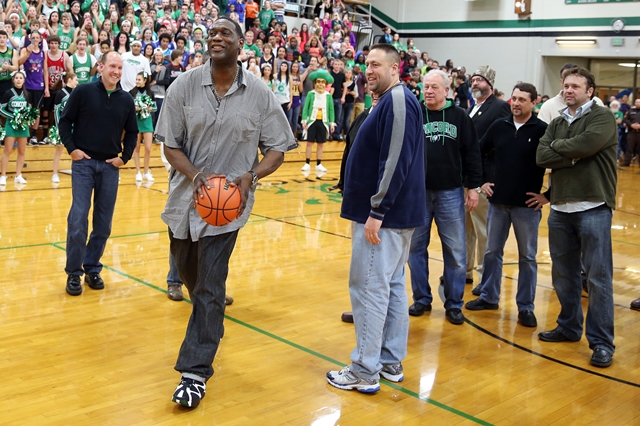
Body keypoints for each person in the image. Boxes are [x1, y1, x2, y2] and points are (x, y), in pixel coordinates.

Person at [155, 16, 294, 409]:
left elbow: (278, 148)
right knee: (191, 276)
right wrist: (196, 175)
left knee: (210, 286)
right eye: (212, 33)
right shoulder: (183, 85)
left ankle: (194, 372)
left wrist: (252, 175)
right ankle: (210, 323)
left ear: (240, 43)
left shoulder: (261, 95)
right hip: (184, 203)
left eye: (225, 34)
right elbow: (170, 145)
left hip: (227, 210)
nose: (216, 38)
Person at [326, 43, 426, 393]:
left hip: (385, 218)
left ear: (396, 69)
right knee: (393, 285)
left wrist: (377, 211)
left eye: (377, 65)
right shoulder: (389, 101)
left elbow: (396, 160)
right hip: (394, 217)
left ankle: (365, 369)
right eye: (366, 64)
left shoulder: (397, 101)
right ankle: (388, 361)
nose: (369, 71)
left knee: (369, 287)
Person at [536, 66, 618, 368]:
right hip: (559, 209)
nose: (568, 90)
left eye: (575, 86)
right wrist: (570, 154)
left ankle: (601, 342)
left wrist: (564, 151)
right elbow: (541, 156)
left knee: (597, 278)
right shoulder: (557, 121)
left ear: (589, 91)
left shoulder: (602, 117)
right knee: (563, 275)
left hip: (593, 207)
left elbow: (587, 144)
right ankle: (569, 327)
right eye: (565, 86)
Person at [464, 83, 549, 328]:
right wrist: (481, 183)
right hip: (498, 203)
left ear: (534, 102)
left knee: (528, 258)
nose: (516, 103)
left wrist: (548, 196)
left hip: (527, 207)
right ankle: (489, 296)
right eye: (514, 99)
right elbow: (477, 152)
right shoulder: (499, 126)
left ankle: (526, 306)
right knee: (492, 252)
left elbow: (561, 162)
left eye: (522, 99)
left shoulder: (542, 130)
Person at [59, 52, 138, 296]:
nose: (116, 71)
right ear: (100, 67)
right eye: (112, 66)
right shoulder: (82, 91)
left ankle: (92, 266)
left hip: (109, 168)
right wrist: (72, 149)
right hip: (84, 165)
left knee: (103, 224)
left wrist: (124, 158)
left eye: (120, 67)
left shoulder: (126, 99)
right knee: (78, 220)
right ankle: (74, 272)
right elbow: (64, 121)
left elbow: (133, 132)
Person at [407, 69, 482, 325]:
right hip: (418, 193)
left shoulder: (460, 116)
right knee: (415, 248)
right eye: (425, 86)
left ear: (446, 90)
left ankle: (454, 304)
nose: (428, 91)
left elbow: (472, 153)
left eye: (434, 87)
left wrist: (473, 187)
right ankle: (421, 299)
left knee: (456, 251)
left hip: (451, 192)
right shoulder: (415, 113)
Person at [465, 66, 511, 294]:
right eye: (472, 80)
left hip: (484, 180)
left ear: (489, 84)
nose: (475, 83)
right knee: (466, 229)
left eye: (479, 80)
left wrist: (488, 179)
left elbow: (501, 147)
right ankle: (464, 270)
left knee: (483, 230)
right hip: (467, 179)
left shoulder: (500, 107)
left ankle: (485, 277)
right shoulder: (473, 108)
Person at [0, 71, 32, 186]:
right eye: (16, 78)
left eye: (21, 78)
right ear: (13, 80)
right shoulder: (9, 93)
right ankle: (3, 175)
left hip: (23, 126)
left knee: (22, 151)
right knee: (7, 150)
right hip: (11, 124)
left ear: (24, 80)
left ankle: (18, 175)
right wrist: (13, 117)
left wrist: (27, 119)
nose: (19, 80)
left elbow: (29, 110)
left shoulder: (27, 94)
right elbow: (1, 109)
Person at [300, 68, 334, 173]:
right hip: (312, 121)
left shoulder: (328, 96)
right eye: (318, 82)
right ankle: (307, 163)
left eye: (323, 82)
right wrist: (304, 120)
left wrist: (331, 123)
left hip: (323, 122)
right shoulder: (311, 94)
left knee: (320, 143)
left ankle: (319, 163)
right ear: (315, 83)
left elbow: (331, 110)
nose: (320, 84)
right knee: (309, 143)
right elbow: (306, 108)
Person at [50, 71, 78, 183]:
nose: (78, 82)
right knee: (59, 150)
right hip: (63, 126)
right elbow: (56, 111)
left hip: (75, 127)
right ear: (70, 79)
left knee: (75, 150)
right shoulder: (60, 93)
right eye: (76, 79)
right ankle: (55, 173)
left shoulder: (77, 92)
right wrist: (59, 127)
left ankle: (75, 171)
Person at [130, 71, 156, 182]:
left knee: (148, 148)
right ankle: (138, 172)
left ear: (145, 81)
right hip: (136, 121)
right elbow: (130, 107)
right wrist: (136, 108)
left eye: (139, 79)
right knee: (136, 147)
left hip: (147, 121)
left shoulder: (150, 92)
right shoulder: (132, 92)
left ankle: (146, 172)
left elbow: (154, 107)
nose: (137, 81)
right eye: (136, 79)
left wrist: (149, 108)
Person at [621, 97, 640, 167]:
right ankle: (627, 162)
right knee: (629, 148)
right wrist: (631, 125)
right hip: (631, 132)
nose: (638, 103)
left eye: (639, 102)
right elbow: (625, 120)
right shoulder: (630, 111)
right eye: (637, 102)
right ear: (635, 103)